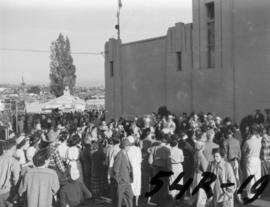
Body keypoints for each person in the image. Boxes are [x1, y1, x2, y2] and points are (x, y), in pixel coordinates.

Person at [242, 124, 262, 199]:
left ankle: (250, 195)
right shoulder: (259, 140)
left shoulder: (247, 142)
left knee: (250, 177)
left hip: (249, 160)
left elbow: (243, 152)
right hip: (257, 159)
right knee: (257, 177)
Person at [113, 137, 134, 207]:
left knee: (130, 196)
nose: (130, 147)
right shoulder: (120, 155)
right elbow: (115, 169)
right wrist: (119, 180)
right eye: (129, 146)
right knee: (119, 199)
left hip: (126, 180)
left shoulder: (125, 153)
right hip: (122, 181)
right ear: (125, 146)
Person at [0, 139, 20, 207]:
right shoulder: (14, 162)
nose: (15, 151)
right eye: (14, 149)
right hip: (7, 192)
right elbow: (16, 179)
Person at [126, 135, 142, 207]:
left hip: (130, 169)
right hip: (137, 169)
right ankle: (136, 203)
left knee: (130, 185)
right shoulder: (138, 149)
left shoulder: (127, 150)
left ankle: (130, 202)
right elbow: (140, 160)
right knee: (137, 185)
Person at [168, 135, 184, 203]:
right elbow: (182, 159)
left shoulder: (169, 150)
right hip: (179, 166)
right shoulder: (180, 150)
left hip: (172, 166)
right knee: (179, 182)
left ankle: (172, 198)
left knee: (172, 182)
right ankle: (177, 198)